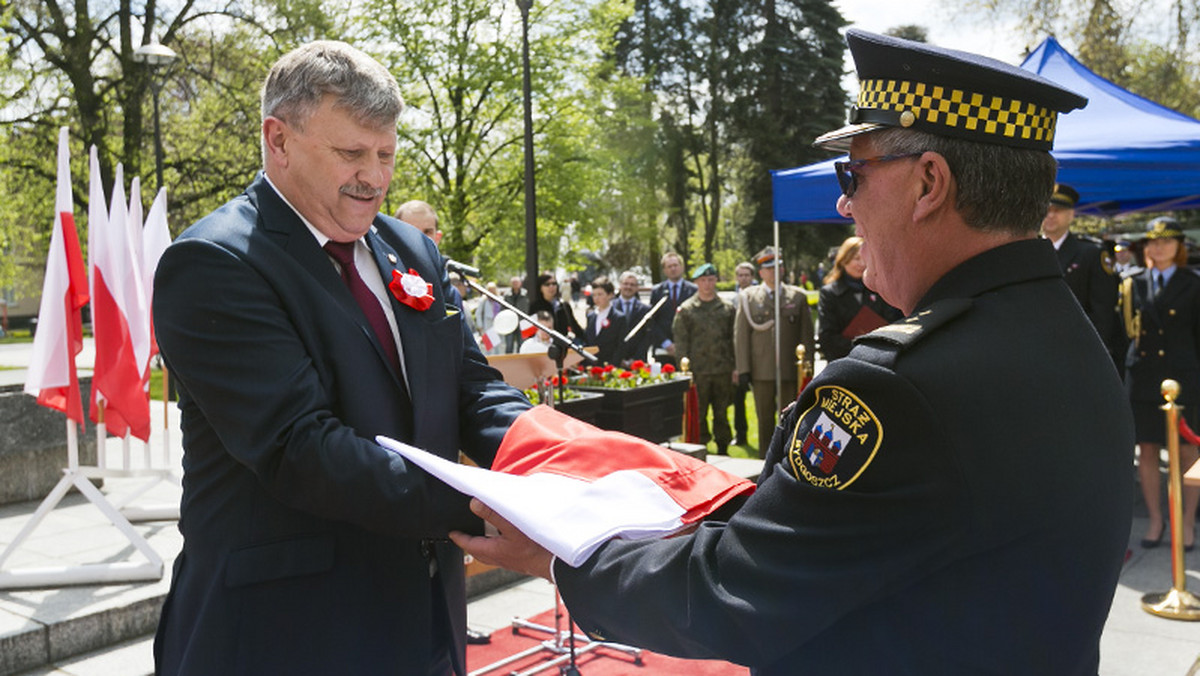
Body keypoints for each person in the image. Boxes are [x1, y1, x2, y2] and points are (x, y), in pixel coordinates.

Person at [453, 29, 1133, 675]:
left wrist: (563, 558)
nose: (844, 203)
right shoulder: (1064, 331)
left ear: (930, 183)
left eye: (856, 172)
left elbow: (730, 594)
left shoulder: (900, 386)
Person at [151, 41, 530, 676]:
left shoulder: (412, 251)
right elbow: (301, 449)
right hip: (285, 634)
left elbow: (471, 389)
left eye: (385, 154)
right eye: (351, 153)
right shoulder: (215, 263)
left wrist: (554, 461)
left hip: (425, 622)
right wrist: (496, 508)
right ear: (280, 140)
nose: (375, 177)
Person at [1121, 216, 1199, 550]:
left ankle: (1186, 522)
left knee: (1187, 451)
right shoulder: (1133, 282)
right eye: (1152, 241)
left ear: (1179, 246)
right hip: (1144, 376)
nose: (1159, 246)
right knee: (1148, 449)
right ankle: (1156, 520)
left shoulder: (1193, 283)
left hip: (1183, 377)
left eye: (1167, 240)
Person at [734, 246, 815, 457]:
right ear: (761, 272)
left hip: (790, 369)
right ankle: (764, 461)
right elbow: (741, 336)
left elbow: (806, 336)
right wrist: (743, 369)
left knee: (791, 418)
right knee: (764, 419)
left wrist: (807, 370)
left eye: (778, 267)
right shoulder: (749, 297)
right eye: (769, 268)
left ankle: (788, 459)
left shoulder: (797, 296)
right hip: (761, 369)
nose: (774, 272)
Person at [1041, 183, 1122, 367]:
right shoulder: (1028, 253)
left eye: (1058, 210)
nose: (1051, 215)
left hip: (1077, 352)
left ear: (1071, 214)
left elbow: (1103, 312)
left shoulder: (1091, 254)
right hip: (1037, 351)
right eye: (1046, 209)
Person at [672, 263, 737, 455]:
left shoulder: (727, 308)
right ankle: (701, 450)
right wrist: (684, 371)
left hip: (722, 370)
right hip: (697, 372)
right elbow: (681, 343)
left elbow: (733, 339)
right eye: (703, 280)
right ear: (696, 283)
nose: (707, 284)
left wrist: (735, 367)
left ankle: (723, 448)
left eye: (711, 279)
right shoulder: (686, 309)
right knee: (698, 414)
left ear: (716, 280)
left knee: (721, 413)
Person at [817, 235, 902, 361]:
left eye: (865, 259)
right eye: (856, 259)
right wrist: (861, 346)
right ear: (843, 260)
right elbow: (827, 337)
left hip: (878, 361)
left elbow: (891, 323)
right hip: (843, 363)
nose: (862, 264)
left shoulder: (879, 289)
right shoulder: (829, 293)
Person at [648, 252, 696, 362]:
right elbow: (652, 321)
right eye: (669, 266)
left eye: (675, 265)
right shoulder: (657, 291)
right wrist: (666, 343)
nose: (673, 269)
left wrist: (682, 344)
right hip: (663, 349)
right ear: (664, 270)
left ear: (682, 267)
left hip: (688, 349)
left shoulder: (693, 290)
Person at [731, 262, 756, 445]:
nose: (743, 278)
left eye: (747, 275)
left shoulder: (758, 297)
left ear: (752, 277)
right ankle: (741, 436)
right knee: (738, 400)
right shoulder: (732, 300)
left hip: (758, 356)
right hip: (739, 359)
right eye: (740, 275)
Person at [583, 275, 627, 365]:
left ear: (610, 295)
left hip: (609, 365)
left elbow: (620, 346)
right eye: (594, 295)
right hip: (592, 365)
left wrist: (612, 366)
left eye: (600, 294)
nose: (596, 298)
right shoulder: (591, 316)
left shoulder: (618, 317)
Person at [528, 272, 584, 343]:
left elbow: (574, 326)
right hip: (542, 347)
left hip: (562, 346)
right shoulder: (535, 307)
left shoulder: (563, 305)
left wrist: (584, 340)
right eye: (547, 284)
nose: (551, 287)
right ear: (540, 288)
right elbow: (528, 332)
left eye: (554, 284)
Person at [614, 270, 651, 364]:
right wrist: (618, 358)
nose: (628, 287)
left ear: (637, 288)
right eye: (625, 284)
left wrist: (636, 359)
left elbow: (647, 338)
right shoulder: (610, 308)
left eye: (632, 285)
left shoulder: (645, 310)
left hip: (637, 362)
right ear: (620, 285)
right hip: (615, 360)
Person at [474, 281, 503, 355]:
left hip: (498, 324)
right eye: (490, 289)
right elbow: (478, 313)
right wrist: (480, 326)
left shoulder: (499, 299)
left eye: (493, 289)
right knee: (489, 346)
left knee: (497, 346)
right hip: (487, 324)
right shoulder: (483, 300)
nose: (492, 291)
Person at [503, 276, 530, 353]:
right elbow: (503, 308)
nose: (515, 284)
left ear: (520, 283)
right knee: (509, 344)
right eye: (513, 283)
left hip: (522, 321)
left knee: (522, 343)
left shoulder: (526, 293)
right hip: (509, 322)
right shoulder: (507, 295)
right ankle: (508, 361)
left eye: (516, 282)